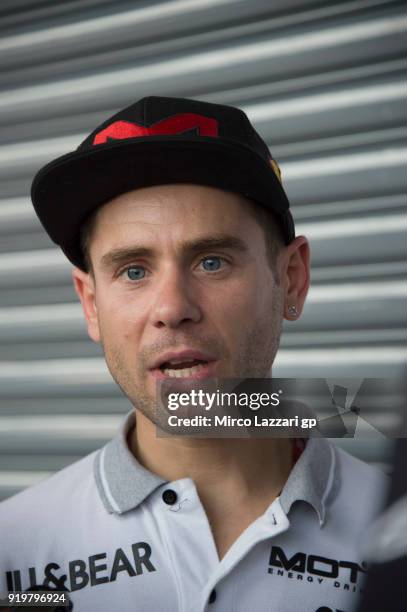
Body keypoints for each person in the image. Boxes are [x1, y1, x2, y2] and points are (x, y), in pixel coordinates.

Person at [0, 96, 388, 611]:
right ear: (91, 304)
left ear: (290, 280)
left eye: (211, 261)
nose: (173, 308)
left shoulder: (392, 534)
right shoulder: (13, 551)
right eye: (133, 271)